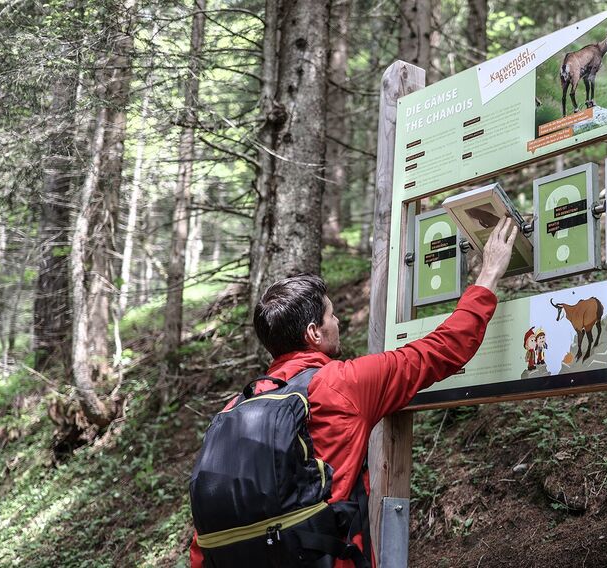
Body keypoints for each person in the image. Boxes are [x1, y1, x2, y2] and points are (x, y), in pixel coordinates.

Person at [189, 218, 519, 567]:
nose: (339, 322)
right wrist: (489, 275)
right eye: (332, 315)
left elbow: (204, 539)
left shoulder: (236, 407)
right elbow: (440, 350)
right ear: (314, 332)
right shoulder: (341, 384)